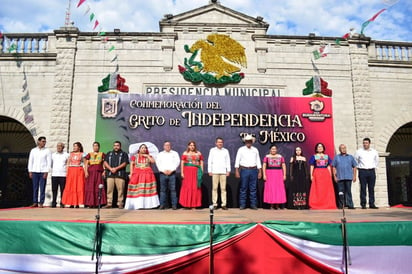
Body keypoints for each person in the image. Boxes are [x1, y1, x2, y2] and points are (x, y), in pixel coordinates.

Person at [125, 144, 160, 209]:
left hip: (147, 175)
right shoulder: (135, 156)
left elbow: (153, 161)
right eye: (142, 148)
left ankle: (148, 205)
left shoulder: (149, 156)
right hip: (137, 175)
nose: (144, 149)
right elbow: (132, 165)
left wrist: (147, 156)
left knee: (147, 190)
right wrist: (131, 174)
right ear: (139, 149)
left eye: (145, 148)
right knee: (137, 190)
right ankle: (137, 205)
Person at [235, 134, 262, 210]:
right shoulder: (241, 149)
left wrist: (260, 171)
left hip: (254, 170)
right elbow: (237, 160)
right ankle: (242, 205)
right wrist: (237, 170)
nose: (248, 142)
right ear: (245, 141)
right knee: (243, 188)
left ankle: (253, 204)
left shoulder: (255, 150)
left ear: (252, 141)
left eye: (250, 141)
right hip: (244, 170)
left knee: (253, 188)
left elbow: (258, 160)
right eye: (247, 141)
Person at [309, 143, 337, 209]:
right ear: (316, 149)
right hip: (317, 173)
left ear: (323, 148)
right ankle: (317, 204)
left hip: (325, 174)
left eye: (321, 147)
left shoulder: (326, 156)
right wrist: (311, 175)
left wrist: (330, 175)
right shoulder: (314, 156)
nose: (320, 148)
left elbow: (328, 166)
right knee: (318, 189)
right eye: (318, 147)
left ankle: (327, 203)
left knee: (326, 190)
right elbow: (312, 166)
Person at [354, 138, 379, 209]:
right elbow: (355, 161)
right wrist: (359, 167)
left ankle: (372, 203)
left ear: (369, 143)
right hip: (362, 171)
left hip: (371, 171)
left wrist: (374, 167)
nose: (365, 144)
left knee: (371, 188)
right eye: (364, 143)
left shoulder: (374, 152)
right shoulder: (359, 151)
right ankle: (363, 204)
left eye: (366, 143)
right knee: (363, 188)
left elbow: (376, 161)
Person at [103, 141, 129, 209]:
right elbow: (105, 162)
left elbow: (125, 163)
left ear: (120, 146)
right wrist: (110, 168)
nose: (116, 147)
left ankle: (120, 203)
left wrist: (116, 169)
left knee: (120, 190)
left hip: (120, 174)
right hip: (110, 174)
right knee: (109, 190)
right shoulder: (109, 153)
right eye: (114, 145)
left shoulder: (124, 154)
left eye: (117, 145)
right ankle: (109, 203)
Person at [27, 136, 51, 208]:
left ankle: (41, 202)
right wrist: (30, 171)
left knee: (42, 187)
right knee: (35, 187)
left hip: (43, 171)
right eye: (43, 141)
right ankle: (35, 202)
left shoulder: (47, 151)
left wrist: (47, 172)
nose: (44, 143)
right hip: (34, 171)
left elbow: (49, 162)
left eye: (45, 141)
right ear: (39, 142)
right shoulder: (33, 150)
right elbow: (30, 161)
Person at [208, 137, 231, 210]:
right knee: (214, 188)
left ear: (222, 143)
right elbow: (210, 161)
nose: (220, 143)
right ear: (216, 143)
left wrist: (228, 170)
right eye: (218, 142)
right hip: (215, 171)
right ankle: (215, 204)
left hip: (223, 172)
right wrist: (209, 170)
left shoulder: (225, 151)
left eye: (221, 142)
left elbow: (228, 161)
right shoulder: (212, 150)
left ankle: (223, 204)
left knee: (223, 189)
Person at [156, 141, 180, 210]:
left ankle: (174, 205)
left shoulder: (174, 153)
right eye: (166, 145)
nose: (167, 146)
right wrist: (163, 170)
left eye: (168, 145)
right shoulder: (160, 154)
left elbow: (177, 162)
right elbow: (158, 163)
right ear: (163, 146)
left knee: (173, 190)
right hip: (162, 173)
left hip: (172, 173)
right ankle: (162, 205)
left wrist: (171, 170)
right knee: (163, 190)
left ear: (170, 146)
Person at [179, 141, 204, 209]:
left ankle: (195, 204)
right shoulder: (185, 153)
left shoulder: (198, 153)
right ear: (188, 146)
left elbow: (201, 162)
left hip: (196, 172)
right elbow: (182, 163)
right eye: (190, 145)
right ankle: (187, 204)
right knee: (187, 187)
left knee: (195, 187)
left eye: (193, 145)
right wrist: (182, 172)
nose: (192, 146)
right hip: (187, 172)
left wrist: (201, 171)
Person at [332, 144, 357, 209]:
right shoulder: (337, 157)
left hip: (348, 177)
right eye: (342, 148)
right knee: (340, 192)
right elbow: (333, 167)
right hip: (340, 177)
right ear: (339, 150)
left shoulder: (350, 157)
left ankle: (350, 205)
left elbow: (354, 167)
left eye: (344, 148)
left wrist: (354, 176)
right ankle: (341, 205)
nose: (343, 149)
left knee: (348, 191)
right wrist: (334, 176)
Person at [62, 142, 86, 208]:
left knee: (78, 186)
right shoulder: (71, 154)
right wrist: (67, 172)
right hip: (71, 171)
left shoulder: (82, 154)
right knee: (71, 186)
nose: (74, 147)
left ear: (79, 147)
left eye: (76, 146)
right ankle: (71, 202)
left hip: (79, 171)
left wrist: (86, 172)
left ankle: (78, 202)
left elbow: (85, 163)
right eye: (74, 146)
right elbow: (68, 163)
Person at [262, 144, 286, 210]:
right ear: (270, 150)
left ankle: (277, 205)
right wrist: (264, 174)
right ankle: (271, 205)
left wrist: (284, 175)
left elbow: (283, 165)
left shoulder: (280, 157)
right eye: (272, 149)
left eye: (275, 149)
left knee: (278, 189)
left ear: (276, 150)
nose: (273, 150)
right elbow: (264, 165)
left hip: (278, 174)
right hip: (269, 174)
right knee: (271, 189)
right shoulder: (267, 157)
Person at [84, 142, 107, 208]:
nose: (95, 147)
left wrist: (104, 171)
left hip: (99, 173)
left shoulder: (102, 154)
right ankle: (90, 203)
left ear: (99, 147)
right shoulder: (89, 154)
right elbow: (86, 163)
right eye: (94, 146)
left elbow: (105, 163)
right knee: (91, 187)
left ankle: (99, 203)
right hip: (91, 173)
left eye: (97, 146)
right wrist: (86, 172)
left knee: (98, 187)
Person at [51, 142, 69, 208]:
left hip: (63, 174)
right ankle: (54, 202)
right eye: (58, 146)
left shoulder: (66, 155)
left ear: (63, 147)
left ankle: (62, 202)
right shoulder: (53, 155)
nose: (59, 147)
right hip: (55, 174)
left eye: (60, 146)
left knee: (63, 190)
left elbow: (68, 164)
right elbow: (51, 164)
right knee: (54, 189)